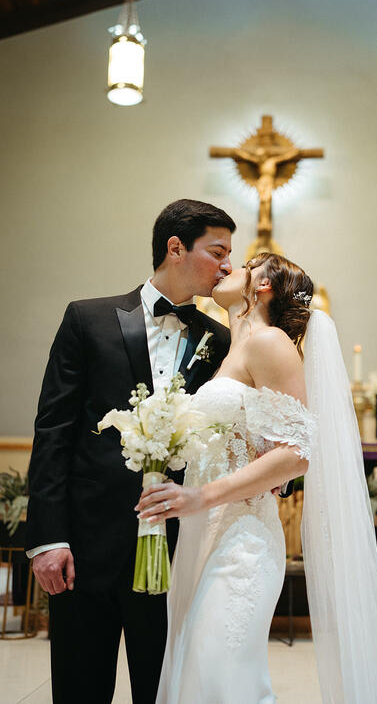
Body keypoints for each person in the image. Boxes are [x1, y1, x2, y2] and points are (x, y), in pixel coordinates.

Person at [138, 253, 377, 704]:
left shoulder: (270, 342)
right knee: (196, 678)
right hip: (201, 535)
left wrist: (200, 496)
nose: (228, 268)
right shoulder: (231, 351)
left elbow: (297, 454)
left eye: (243, 265)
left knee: (220, 678)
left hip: (240, 541)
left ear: (262, 286)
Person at [26, 199, 236, 704]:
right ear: (175, 247)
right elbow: (53, 430)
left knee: (163, 691)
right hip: (84, 547)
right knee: (79, 687)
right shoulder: (87, 319)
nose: (228, 266)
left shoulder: (221, 341)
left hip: (177, 551)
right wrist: (48, 538)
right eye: (218, 252)